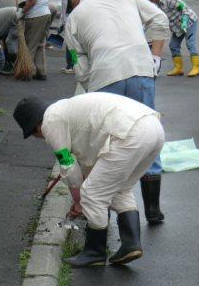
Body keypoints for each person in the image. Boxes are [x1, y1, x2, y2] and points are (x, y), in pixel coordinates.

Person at [13, 93, 165, 266]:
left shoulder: (50, 122)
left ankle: (95, 252)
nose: (42, 138)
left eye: (34, 135)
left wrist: (79, 200)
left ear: (35, 127)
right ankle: (131, 245)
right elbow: (90, 164)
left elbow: (68, 165)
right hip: (153, 128)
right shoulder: (67, 111)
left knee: (92, 195)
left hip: (130, 133)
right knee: (120, 189)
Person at [63, 0, 169, 223]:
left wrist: (91, 88)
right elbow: (160, 20)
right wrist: (155, 56)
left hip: (105, 77)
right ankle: (153, 210)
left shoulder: (74, 18)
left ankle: (112, 212)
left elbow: (78, 63)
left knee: (109, 143)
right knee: (147, 129)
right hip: (141, 70)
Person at [144, 0, 199, 77]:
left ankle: (196, 68)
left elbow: (185, 9)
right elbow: (150, 19)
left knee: (190, 43)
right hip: (177, 27)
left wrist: (184, 22)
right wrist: (142, 30)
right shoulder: (157, 5)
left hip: (189, 22)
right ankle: (178, 68)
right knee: (173, 45)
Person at [19, 0, 51, 80]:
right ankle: (40, 71)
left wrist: (22, 11)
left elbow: (32, 0)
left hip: (36, 15)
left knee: (30, 45)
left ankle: (27, 72)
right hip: (44, 14)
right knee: (39, 44)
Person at [51, 0, 73, 74]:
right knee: (71, 45)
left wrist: (65, 22)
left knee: (72, 45)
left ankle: (73, 66)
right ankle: (71, 65)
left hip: (72, 20)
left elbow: (69, 7)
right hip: (68, 20)